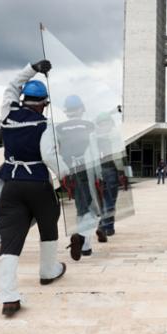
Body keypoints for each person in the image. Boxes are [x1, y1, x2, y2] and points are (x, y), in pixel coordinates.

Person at [0, 59, 66, 318]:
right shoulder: (44, 125)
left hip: (11, 184)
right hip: (37, 184)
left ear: (24, 99)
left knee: (11, 239)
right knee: (48, 223)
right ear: (44, 103)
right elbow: (49, 155)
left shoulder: (8, 114)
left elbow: (11, 85)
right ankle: (48, 271)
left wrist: (33, 67)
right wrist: (67, 177)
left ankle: (9, 297)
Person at [55, 94, 101, 260]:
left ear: (67, 111)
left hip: (70, 172)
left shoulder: (59, 128)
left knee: (81, 207)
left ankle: (85, 245)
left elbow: (57, 151)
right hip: (86, 170)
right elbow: (95, 150)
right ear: (81, 109)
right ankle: (82, 239)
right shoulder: (89, 126)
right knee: (93, 208)